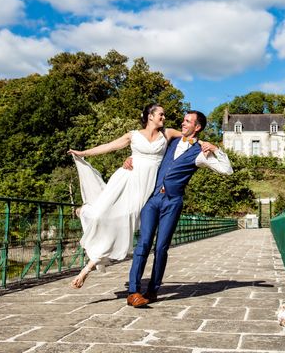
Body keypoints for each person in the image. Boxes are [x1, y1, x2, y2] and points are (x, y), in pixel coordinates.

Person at [125, 110, 233, 307]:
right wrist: (131, 160)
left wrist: (216, 149)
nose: (183, 124)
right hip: (153, 198)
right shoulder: (169, 141)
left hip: (173, 202)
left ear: (197, 127)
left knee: (161, 248)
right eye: (183, 120)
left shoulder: (200, 153)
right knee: (143, 244)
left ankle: (153, 290)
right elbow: (148, 153)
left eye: (187, 121)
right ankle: (133, 292)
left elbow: (227, 170)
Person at [67, 104, 181, 289]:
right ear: (150, 116)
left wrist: (207, 145)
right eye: (161, 114)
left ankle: (87, 268)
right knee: (100, 216)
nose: (164, 117)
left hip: (146, 188)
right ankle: (86, 212)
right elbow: (109, 147)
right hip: (126, 179)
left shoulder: (167, 134)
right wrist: (83, 153)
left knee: (122, 227)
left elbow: (189, 138)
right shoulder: (133, 135)